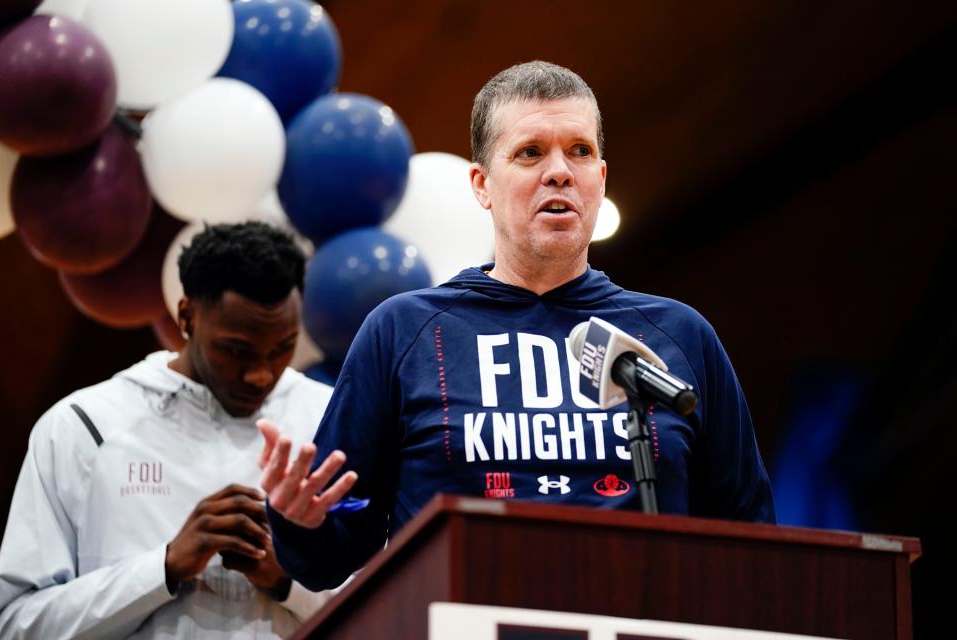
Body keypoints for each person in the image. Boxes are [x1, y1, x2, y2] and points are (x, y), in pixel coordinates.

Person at [259, 61, 776, 592]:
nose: (559, 172)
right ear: (482, 185)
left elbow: (750, 544)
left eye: (580, 151)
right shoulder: (403, 330)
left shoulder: (679, 334)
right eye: (530, 153)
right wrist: (300, 521)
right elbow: (332, 555)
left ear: (600, 178)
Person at [0, 222, 334, 638]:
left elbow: (395, 603)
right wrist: (164, 567)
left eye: (283, 347)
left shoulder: (328, 418)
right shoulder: (83, 426)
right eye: (236, 351)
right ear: (187, 316)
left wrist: (290, 580)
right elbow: (15, 626)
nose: (261, 374)